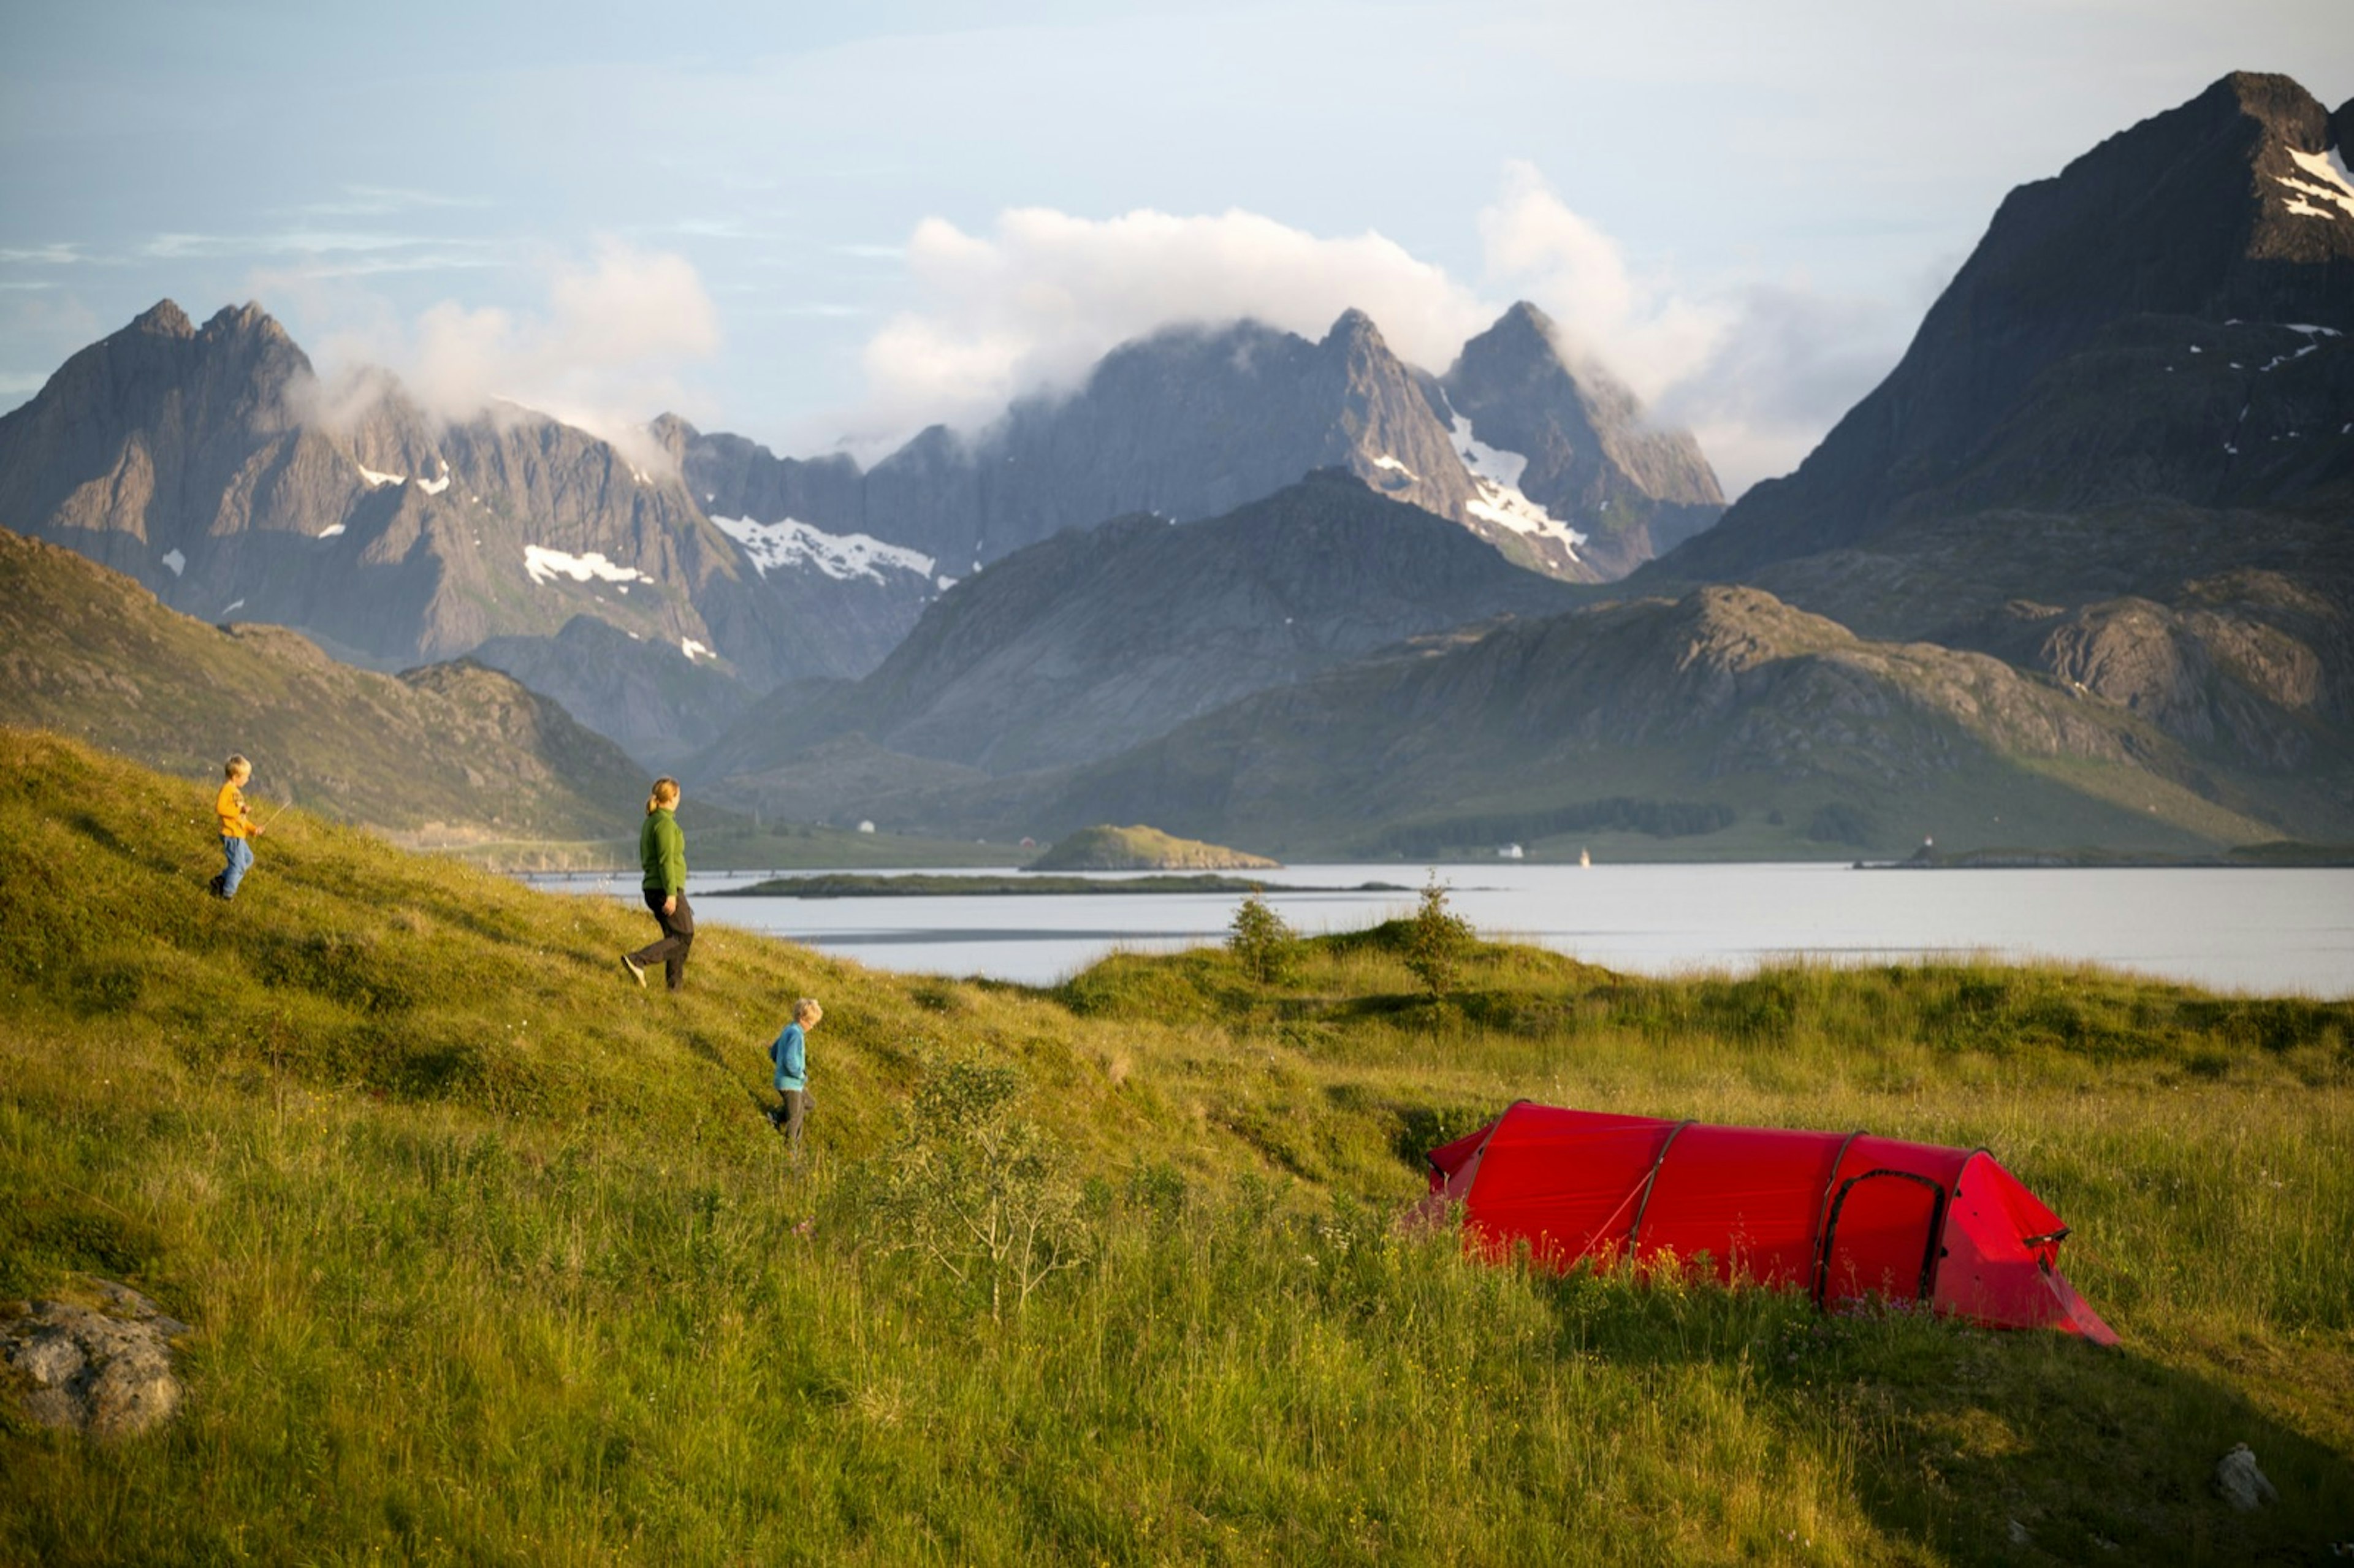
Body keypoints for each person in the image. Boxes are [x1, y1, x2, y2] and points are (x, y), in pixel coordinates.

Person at [622, 777, 693, 990]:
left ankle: (674, 990)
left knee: (675, 937)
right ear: (672, 797)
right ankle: (638, 960)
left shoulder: (653, 821)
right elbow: (666, 861)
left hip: (655, 887)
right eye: (679, 795)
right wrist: (671, 893)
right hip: (664, 888)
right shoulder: (664, 823)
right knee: (684, 936)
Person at [768, 998, 821, 1151]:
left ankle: (776, 1116)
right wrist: (801, 1075)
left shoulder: (788, 1029)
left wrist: (779, 1067)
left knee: (809, 1103)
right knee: (796, 1118)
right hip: (791, 1084)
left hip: (789, 1081)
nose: (812, 1027)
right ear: (802, 1018)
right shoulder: (797, 1034)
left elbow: (774, 1052)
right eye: (811, 1023)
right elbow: (790, 1060)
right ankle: (790, 1153)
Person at [208, 754, 262, 899]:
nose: (248, 779)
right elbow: (220, 809)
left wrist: (253, 829)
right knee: (238, 866)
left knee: (248, 859)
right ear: (236, 776)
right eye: (246, 776)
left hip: (239, 835)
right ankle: (227, 894)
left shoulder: (237, 794)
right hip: (231, 835)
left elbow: (241, 819)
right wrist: (240, 810)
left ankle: (220, 880)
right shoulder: (227, 790)